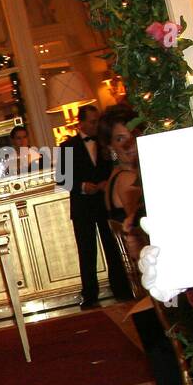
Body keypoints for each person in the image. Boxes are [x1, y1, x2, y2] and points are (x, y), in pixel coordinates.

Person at [97, 105, 191, 385]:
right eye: (120, 139)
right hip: (150, 276)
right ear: (110, 146)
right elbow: (143, 232)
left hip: (142, 279)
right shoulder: (128, 182)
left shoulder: (117, 179)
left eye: (132, 136)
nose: (128, 145)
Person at [58, 103, 135, 308]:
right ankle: (90, 295)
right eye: (92, 122)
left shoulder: (106, 144)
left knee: (113, 247)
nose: (96, 125)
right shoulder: (67, 147)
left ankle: (122, 289)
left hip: (104, 203)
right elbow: (62, 179)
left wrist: (105, 183)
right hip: (82, 206)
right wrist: (83, 186)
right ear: (81, 123)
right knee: (86, 250)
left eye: (97, 121)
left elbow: (117, 166)